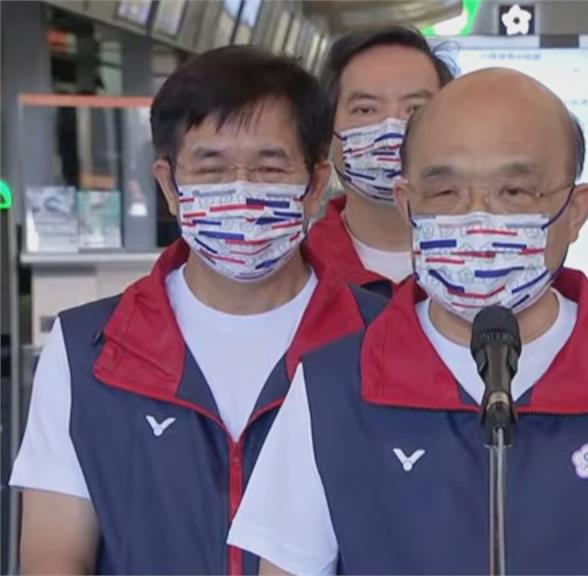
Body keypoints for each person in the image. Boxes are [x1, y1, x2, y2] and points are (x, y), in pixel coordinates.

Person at [227, 68, 588, 575]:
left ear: (576, 211)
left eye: (515, 192)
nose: (477, 216)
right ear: (407, 204)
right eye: (445, 192)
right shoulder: (330, 392)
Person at [9, 47, 385, 574]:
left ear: (315, 185)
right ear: (169, 185)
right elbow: (52, 556)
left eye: (269, 166)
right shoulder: (87, 350)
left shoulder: (383, 344)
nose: (242, 189)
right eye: (211, 167)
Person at [304, 26, 455, 295]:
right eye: (365, 109)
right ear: (328, 134)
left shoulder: (493, 270)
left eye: (415, 109)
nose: (392, 129)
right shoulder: (296, 270)